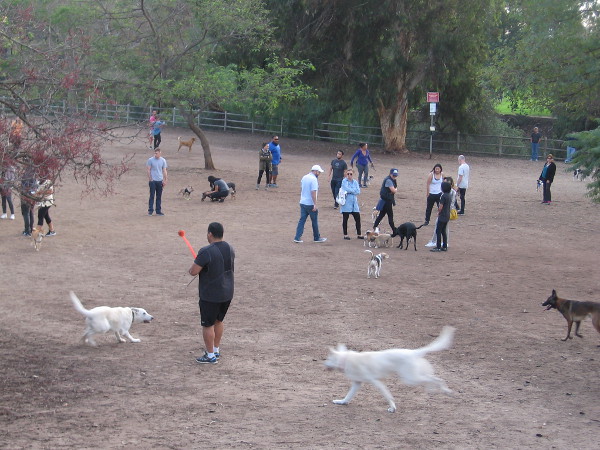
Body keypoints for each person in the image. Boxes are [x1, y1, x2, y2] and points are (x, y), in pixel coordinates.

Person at [188, 222, 235, 364]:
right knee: (219, 321)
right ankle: (215, 349)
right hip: (227, 292)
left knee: (207, 324)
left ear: (210, 234)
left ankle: (210, 356)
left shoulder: (206, 251)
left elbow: (193, 271)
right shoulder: (230, 248)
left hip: (211, 294)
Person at [293, 165, 327, 243]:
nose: (319, 174)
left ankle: (297, 237)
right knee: (314, 221)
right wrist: (315, 204)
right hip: (310, 203)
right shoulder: (314, 180)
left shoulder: (304, 177)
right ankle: (316, 237)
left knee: (302, 220)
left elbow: (302, 188)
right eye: (318, 172)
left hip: (303, 202)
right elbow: (313, 192)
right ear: (315, 171)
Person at [426, 176, 457, 248]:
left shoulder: (447, 194)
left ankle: (437, 244)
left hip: (444, 213)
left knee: (440, 229)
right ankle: (444, 244)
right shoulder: (448, 193)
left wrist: (439, 212)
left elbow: (442, 206)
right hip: (446, 213)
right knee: (443, 229)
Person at [340, 169, 362, 240]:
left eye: (351, 174)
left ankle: (359, 234)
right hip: (346, 202)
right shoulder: (344, 181)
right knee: (345, 219)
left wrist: (350, 191)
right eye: (348, 174)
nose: (349, 175)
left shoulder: (355, 182)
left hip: (354, 203)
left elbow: (358, 191)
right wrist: (353, 191)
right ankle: (345, 234)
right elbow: (345, 189)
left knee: (358, 218)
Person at [430, 181, 452, 252]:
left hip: (442, 215)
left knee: (438, 231)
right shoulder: (449, 195)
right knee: (443, 231)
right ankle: (444, 246)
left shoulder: (443, 196)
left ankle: (438, 246)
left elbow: (440, 206)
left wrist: (438, 212)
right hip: (447, 215)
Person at [147, 148, 168, 215]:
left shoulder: (163, 160)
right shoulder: (150, 160)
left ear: (160, 153)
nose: (155, 154)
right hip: (153, 181)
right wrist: (150, 178)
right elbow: (148, 169)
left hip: (160, 180)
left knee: (159, 196)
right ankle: (150, 210)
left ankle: (158, 210)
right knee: (152, 195)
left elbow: (164, 170)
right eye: (155, 153)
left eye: (157, 153)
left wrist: (165, 179)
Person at [20, 166, 36, 236]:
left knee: (26, 213)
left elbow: (22, 187)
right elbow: (35, 187)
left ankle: (27, 230)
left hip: (25, 197)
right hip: (32, 197)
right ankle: (31, 228)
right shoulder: (34, 176)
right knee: (31, 212)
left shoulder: (24, 176)